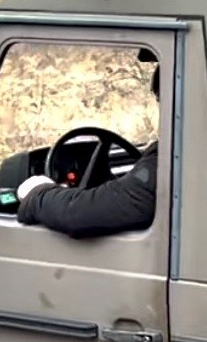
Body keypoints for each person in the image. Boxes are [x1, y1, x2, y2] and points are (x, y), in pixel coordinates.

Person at [15, 56, 159, 238]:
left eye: (161, 100)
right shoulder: (183, 155)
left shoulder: (171, 161)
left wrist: (36, 195)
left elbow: (79, 214)